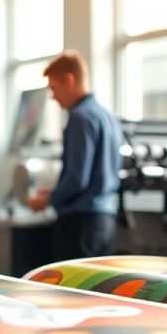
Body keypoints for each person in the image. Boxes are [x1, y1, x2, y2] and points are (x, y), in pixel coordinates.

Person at [27, 50, 123, 261]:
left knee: (71, 292)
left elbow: (77, 178)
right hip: (105, 222)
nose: (53, 97)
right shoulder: (107, 116)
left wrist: (48, 199)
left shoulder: (80, 118)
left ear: (69, 80)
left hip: (80, 226)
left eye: (54, 88)